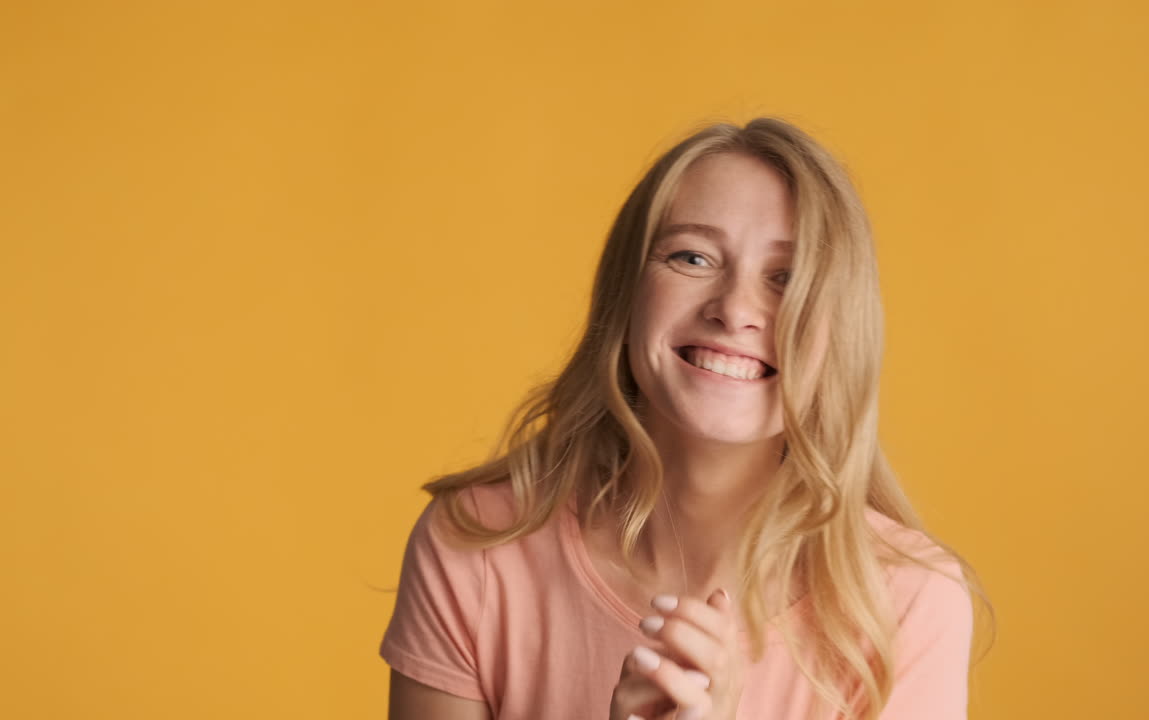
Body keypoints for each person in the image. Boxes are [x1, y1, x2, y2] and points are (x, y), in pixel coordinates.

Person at [379, 117, 992, 720]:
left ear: (842, 335)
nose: (735, 309)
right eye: (693, 258)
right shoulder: (477, 545)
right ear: (626, 293)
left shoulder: (910, 603)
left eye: (788, 278)